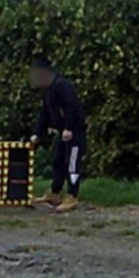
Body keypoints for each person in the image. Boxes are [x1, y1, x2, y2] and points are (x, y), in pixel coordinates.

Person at [28, 57, 87, 213]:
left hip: (74, 131)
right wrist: (37, 134)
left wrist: (69, 128)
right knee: (57, 161)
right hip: (63, 133)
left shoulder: (63, 86)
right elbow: (45, 115)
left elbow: (72, 106)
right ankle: (55, 192)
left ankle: (72, 195)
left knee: (72, 164)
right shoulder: (49, 91)